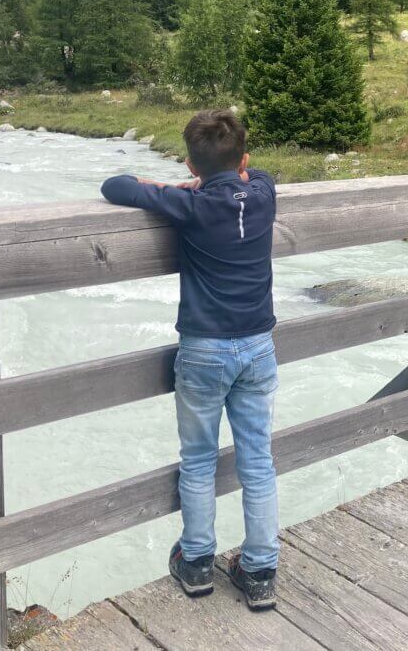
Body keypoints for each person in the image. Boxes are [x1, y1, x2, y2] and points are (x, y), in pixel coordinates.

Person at [100, 109, 280, 609]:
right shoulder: (263, 193)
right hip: (259, 346)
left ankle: (197, 560)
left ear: (190, 164)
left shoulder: (188, 204)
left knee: (199, 458)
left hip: (204, 349)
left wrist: (176, 186)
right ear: (243, 159)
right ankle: (261, 568)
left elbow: (115, 186)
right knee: (258, 459)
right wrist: (226, 176)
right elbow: (257, 175)